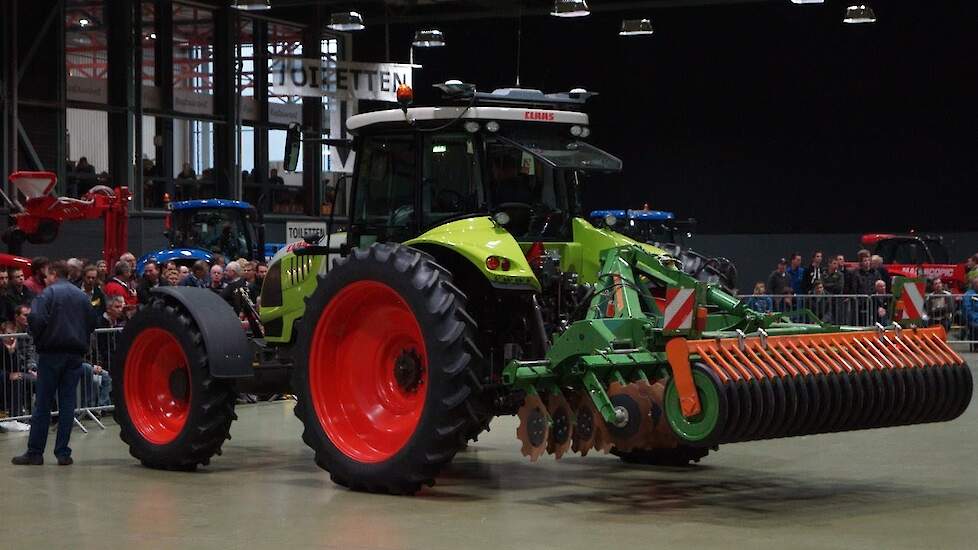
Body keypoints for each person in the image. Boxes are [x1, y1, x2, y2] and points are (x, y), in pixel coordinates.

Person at [12, 261, 98, 466]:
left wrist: (40, 339)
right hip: (75, 354)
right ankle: (63, 453)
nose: (45, 278)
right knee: (68, 404)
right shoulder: (81, 296)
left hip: (51, 354)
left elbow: (36, 318)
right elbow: (92, 322)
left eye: (47, 275)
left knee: (42, 403)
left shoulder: (48, 294)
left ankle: (35, 452)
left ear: (53, 275)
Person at [963, 277, 978, 343]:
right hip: (973, 319)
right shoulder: (968, 295)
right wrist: (976, 318)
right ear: (974, 285)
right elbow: (968, 309)